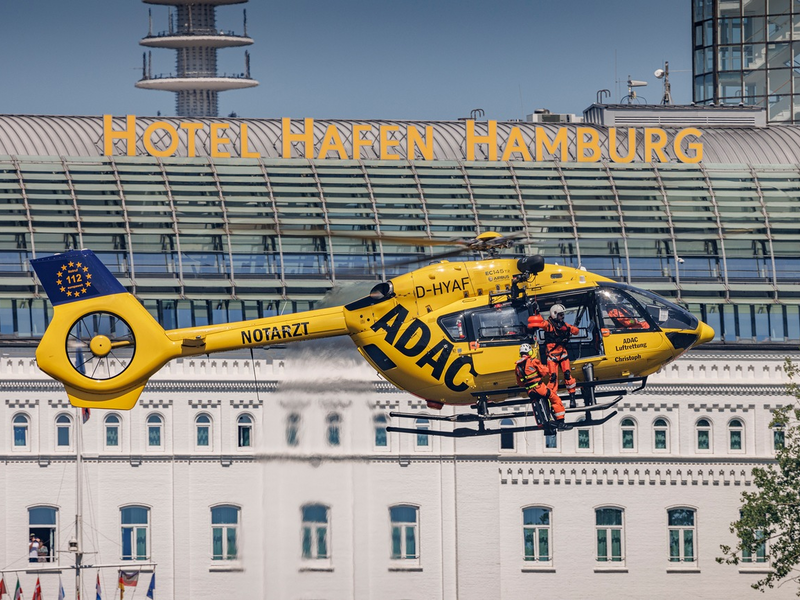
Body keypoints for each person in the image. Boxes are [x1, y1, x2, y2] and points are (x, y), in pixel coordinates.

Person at [528, 304, 579, 408]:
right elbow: (541, 324)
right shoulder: (549, 325)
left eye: (563, 315)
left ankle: (572, 398)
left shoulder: (564, 324)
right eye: (560, 315)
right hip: (552, 356)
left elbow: (576, 331)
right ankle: (552, 399)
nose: (562, 317)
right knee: (553, 378)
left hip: (563, 354)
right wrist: (536, 313)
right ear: (554, 314)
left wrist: (568, 329)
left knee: (568, 375)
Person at [514, 343, 567, 430]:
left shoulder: (517, 367)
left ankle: (545, 423)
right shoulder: (533, 361)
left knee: (540, 404)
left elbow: (520, 383)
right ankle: (561, 422)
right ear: (529, 352)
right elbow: (544, 372)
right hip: (540, 388)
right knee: (555, 399)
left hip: (530, 392)